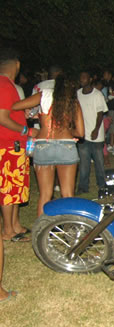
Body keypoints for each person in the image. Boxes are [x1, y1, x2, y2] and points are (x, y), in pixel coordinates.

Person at [12, 76, 84, 216]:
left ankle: (41, 232)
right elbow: (81, 132)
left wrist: (30, 113)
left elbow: (15, 106)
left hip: (43, 145)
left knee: (45, 195)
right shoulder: (73, 102)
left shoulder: (43, 95)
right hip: (66, 146)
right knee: (67, 194)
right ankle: (70, 231)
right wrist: (68, 131)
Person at [0, 48, 32, 242]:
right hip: (8, 144)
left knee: (15, 188)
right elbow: (2, 118)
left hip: (15, 145)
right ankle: (8, 230)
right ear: (17, 65)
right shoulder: (4, 85)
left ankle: (14, 226)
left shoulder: (8, 85)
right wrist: (25, 130)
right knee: (8, 188)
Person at [76, 70, 108, 194]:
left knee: (99, 162)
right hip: (83, 134)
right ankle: (83, 186)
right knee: (84, 163)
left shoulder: (97, 95)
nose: (82, 80)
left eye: (85, 78)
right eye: (81, 78)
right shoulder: (78, 94)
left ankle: (102, 185)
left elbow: (100, 114)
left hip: (96, 135)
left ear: (90, 80)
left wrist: (96, 129)